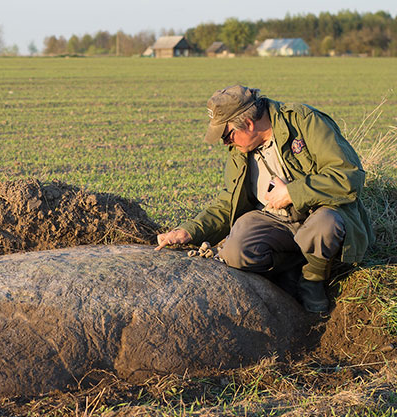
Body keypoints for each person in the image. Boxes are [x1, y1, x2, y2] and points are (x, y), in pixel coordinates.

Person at [155, 85, 373, 313]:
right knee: (235, 251)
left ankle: (313, 279)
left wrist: (292, 193)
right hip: (275, 222)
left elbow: (348, 176)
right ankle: (293, 268)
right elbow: (229, 202)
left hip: (318, 214)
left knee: (325, 224)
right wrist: (189, 231)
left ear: (248, 124)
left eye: (226, 136)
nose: (225, 143)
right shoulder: (240, 149)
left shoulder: (304, 122)